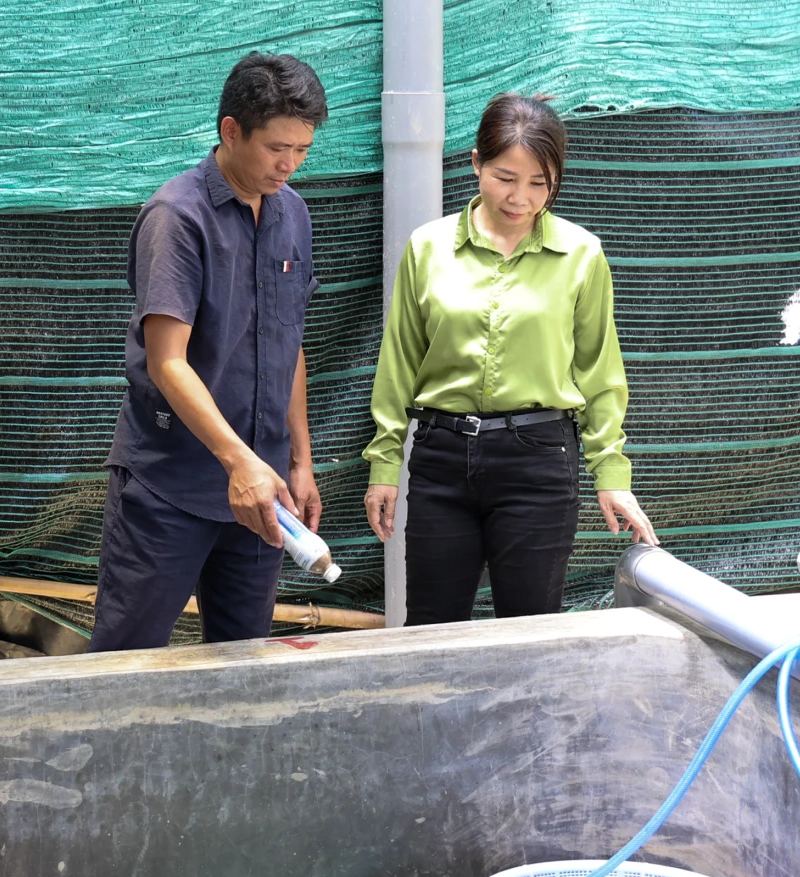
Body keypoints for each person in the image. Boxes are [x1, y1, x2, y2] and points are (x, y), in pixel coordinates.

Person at [362, 92, 658, 625]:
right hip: (441, 458)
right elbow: (399, 361)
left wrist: (611, 473)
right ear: (475, 162)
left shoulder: (581, 254)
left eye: (538, 184)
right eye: (504, 177)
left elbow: (599, 370)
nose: (520, 197)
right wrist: (385, 464)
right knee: (430, 628)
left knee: (529, 629)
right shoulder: (427, 248)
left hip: (539, 459)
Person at [91, 53, 328, 652]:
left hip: (263, 489)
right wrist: (237, 461)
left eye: (302, 149)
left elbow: (288, 340)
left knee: (244, 661)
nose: (289, 164)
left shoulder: (293, 214)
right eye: (278, 147)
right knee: (126, 662)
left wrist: (298, 460)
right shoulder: (177, 217)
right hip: (172, 483)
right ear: (230, 130)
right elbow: (167, 360)